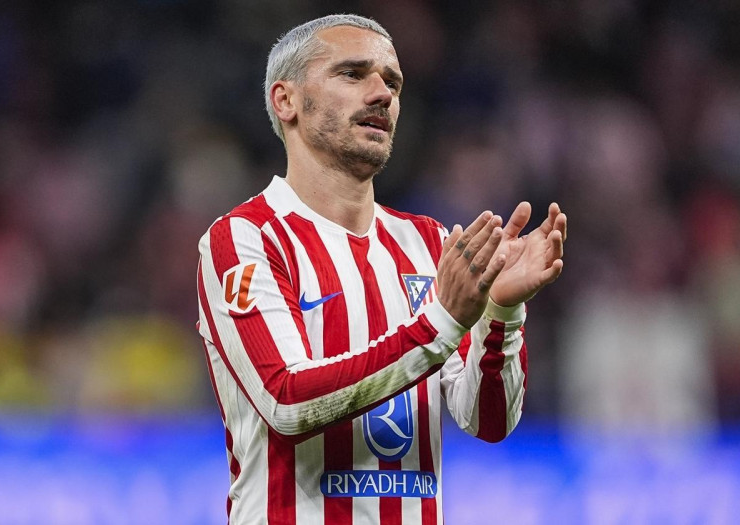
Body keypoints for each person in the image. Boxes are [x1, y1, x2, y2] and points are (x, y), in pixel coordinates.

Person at [196, 14, 567, 524]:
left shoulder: (430, 243)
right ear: (287, 101)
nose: (382, 94)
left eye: (392, 81)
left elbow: (488, 421)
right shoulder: (245, 238)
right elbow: (286, 401)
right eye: (353, 74)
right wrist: (442, 322)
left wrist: (502, 313)